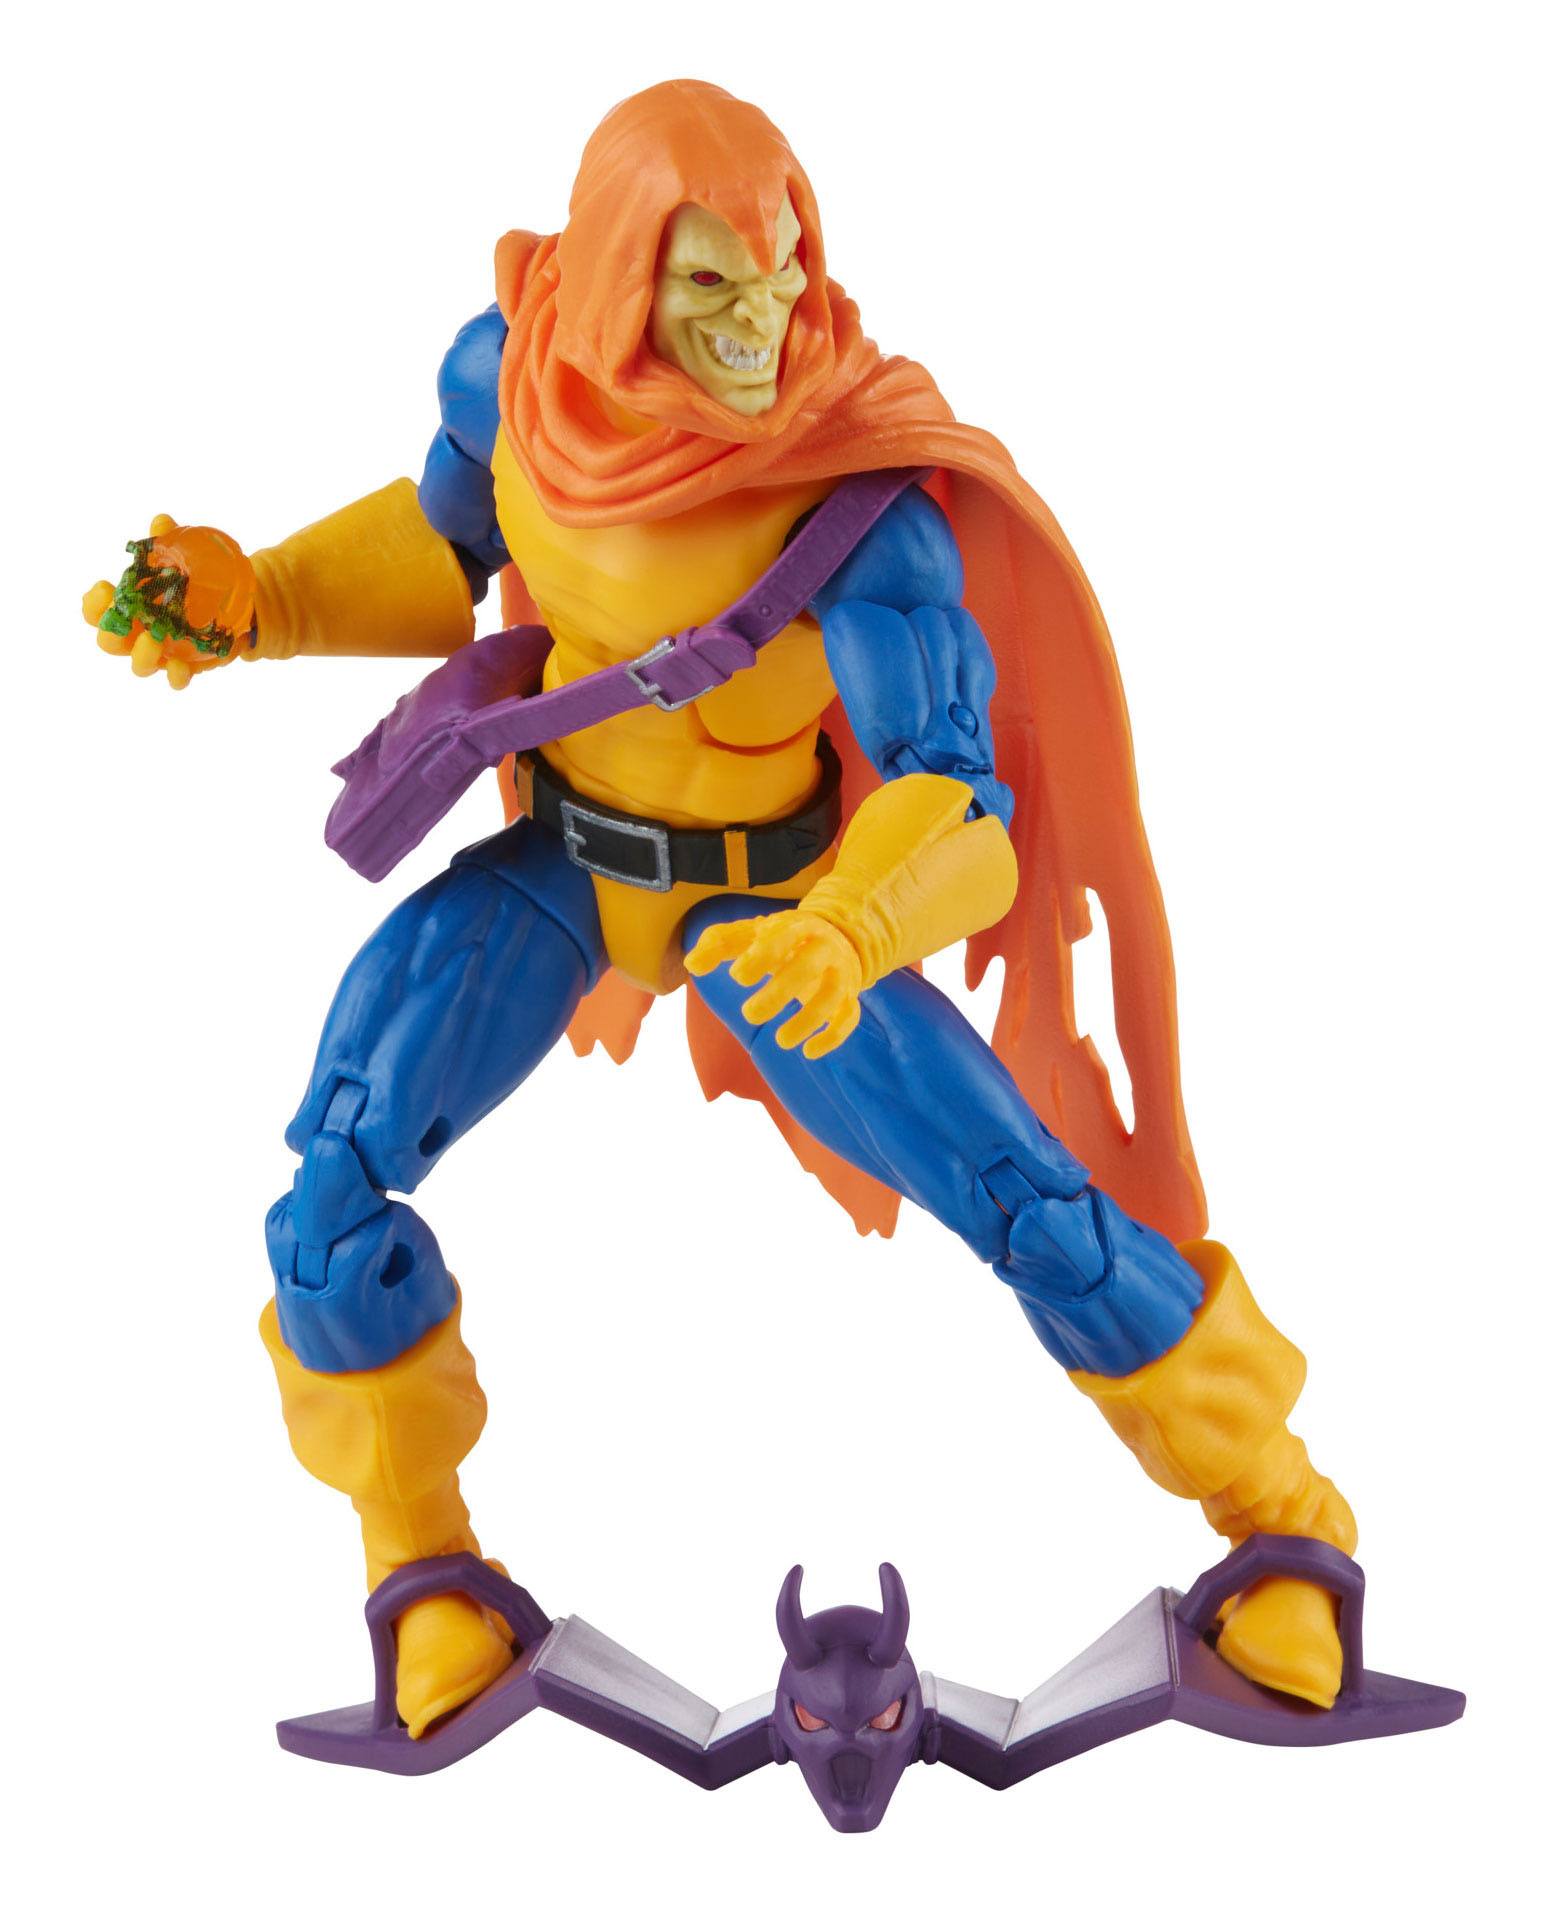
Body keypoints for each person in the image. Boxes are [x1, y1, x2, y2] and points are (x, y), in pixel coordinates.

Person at [83, 79, 1354, 1740]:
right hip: (565, 875)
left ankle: (1285, 1521)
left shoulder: (849, 492)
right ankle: (424, 1574)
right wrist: (257, 599)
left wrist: (846, 930)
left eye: (781, 271)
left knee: (1031, 1204)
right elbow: (445, 545)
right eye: (708, 286)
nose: (763, 326)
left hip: (774, 908)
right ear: (616, 278)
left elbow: (959, 801)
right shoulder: (506, 380)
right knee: (325, 1206)